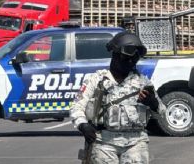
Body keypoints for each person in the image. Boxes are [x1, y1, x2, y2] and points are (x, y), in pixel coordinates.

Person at [70, 31, 166, 164]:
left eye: (134, 59)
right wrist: (83, 125)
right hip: (104, 142)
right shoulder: (97, 80)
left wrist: (153, 104)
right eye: (126, 58)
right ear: (115, 55)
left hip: (136, 143)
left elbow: (163, 113)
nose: (130, 62)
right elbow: (77, 107)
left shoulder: (143, 83)